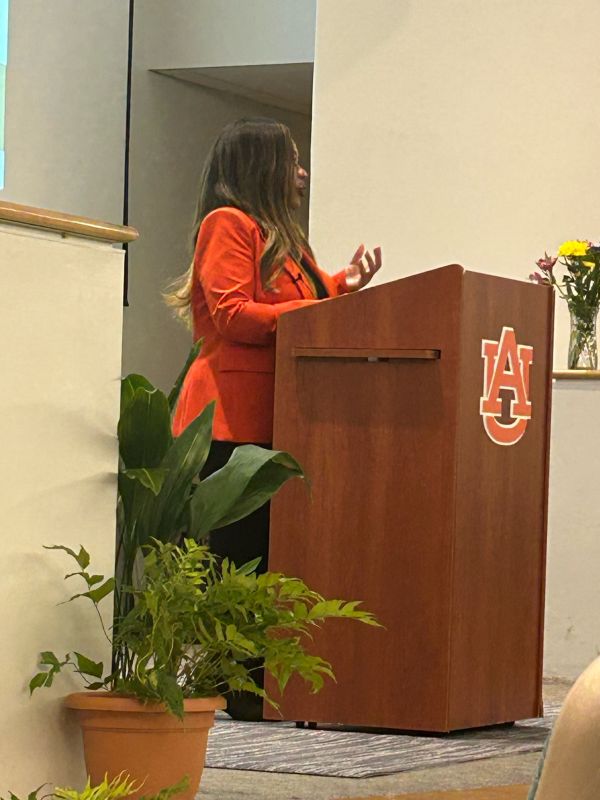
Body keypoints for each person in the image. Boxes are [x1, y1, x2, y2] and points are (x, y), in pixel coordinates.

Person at [164, 117, 381, 717]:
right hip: (231, 420)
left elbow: (298, 301)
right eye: (293, 161)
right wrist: (316, 311)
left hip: (279, 417)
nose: (302, 173)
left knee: (268, 555)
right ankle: (234, 688)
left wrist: (343, 284)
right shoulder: (227, 224)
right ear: (263, 167)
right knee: (238, 559)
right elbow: (234, 314)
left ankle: (258, 685)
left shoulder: (284, 239)